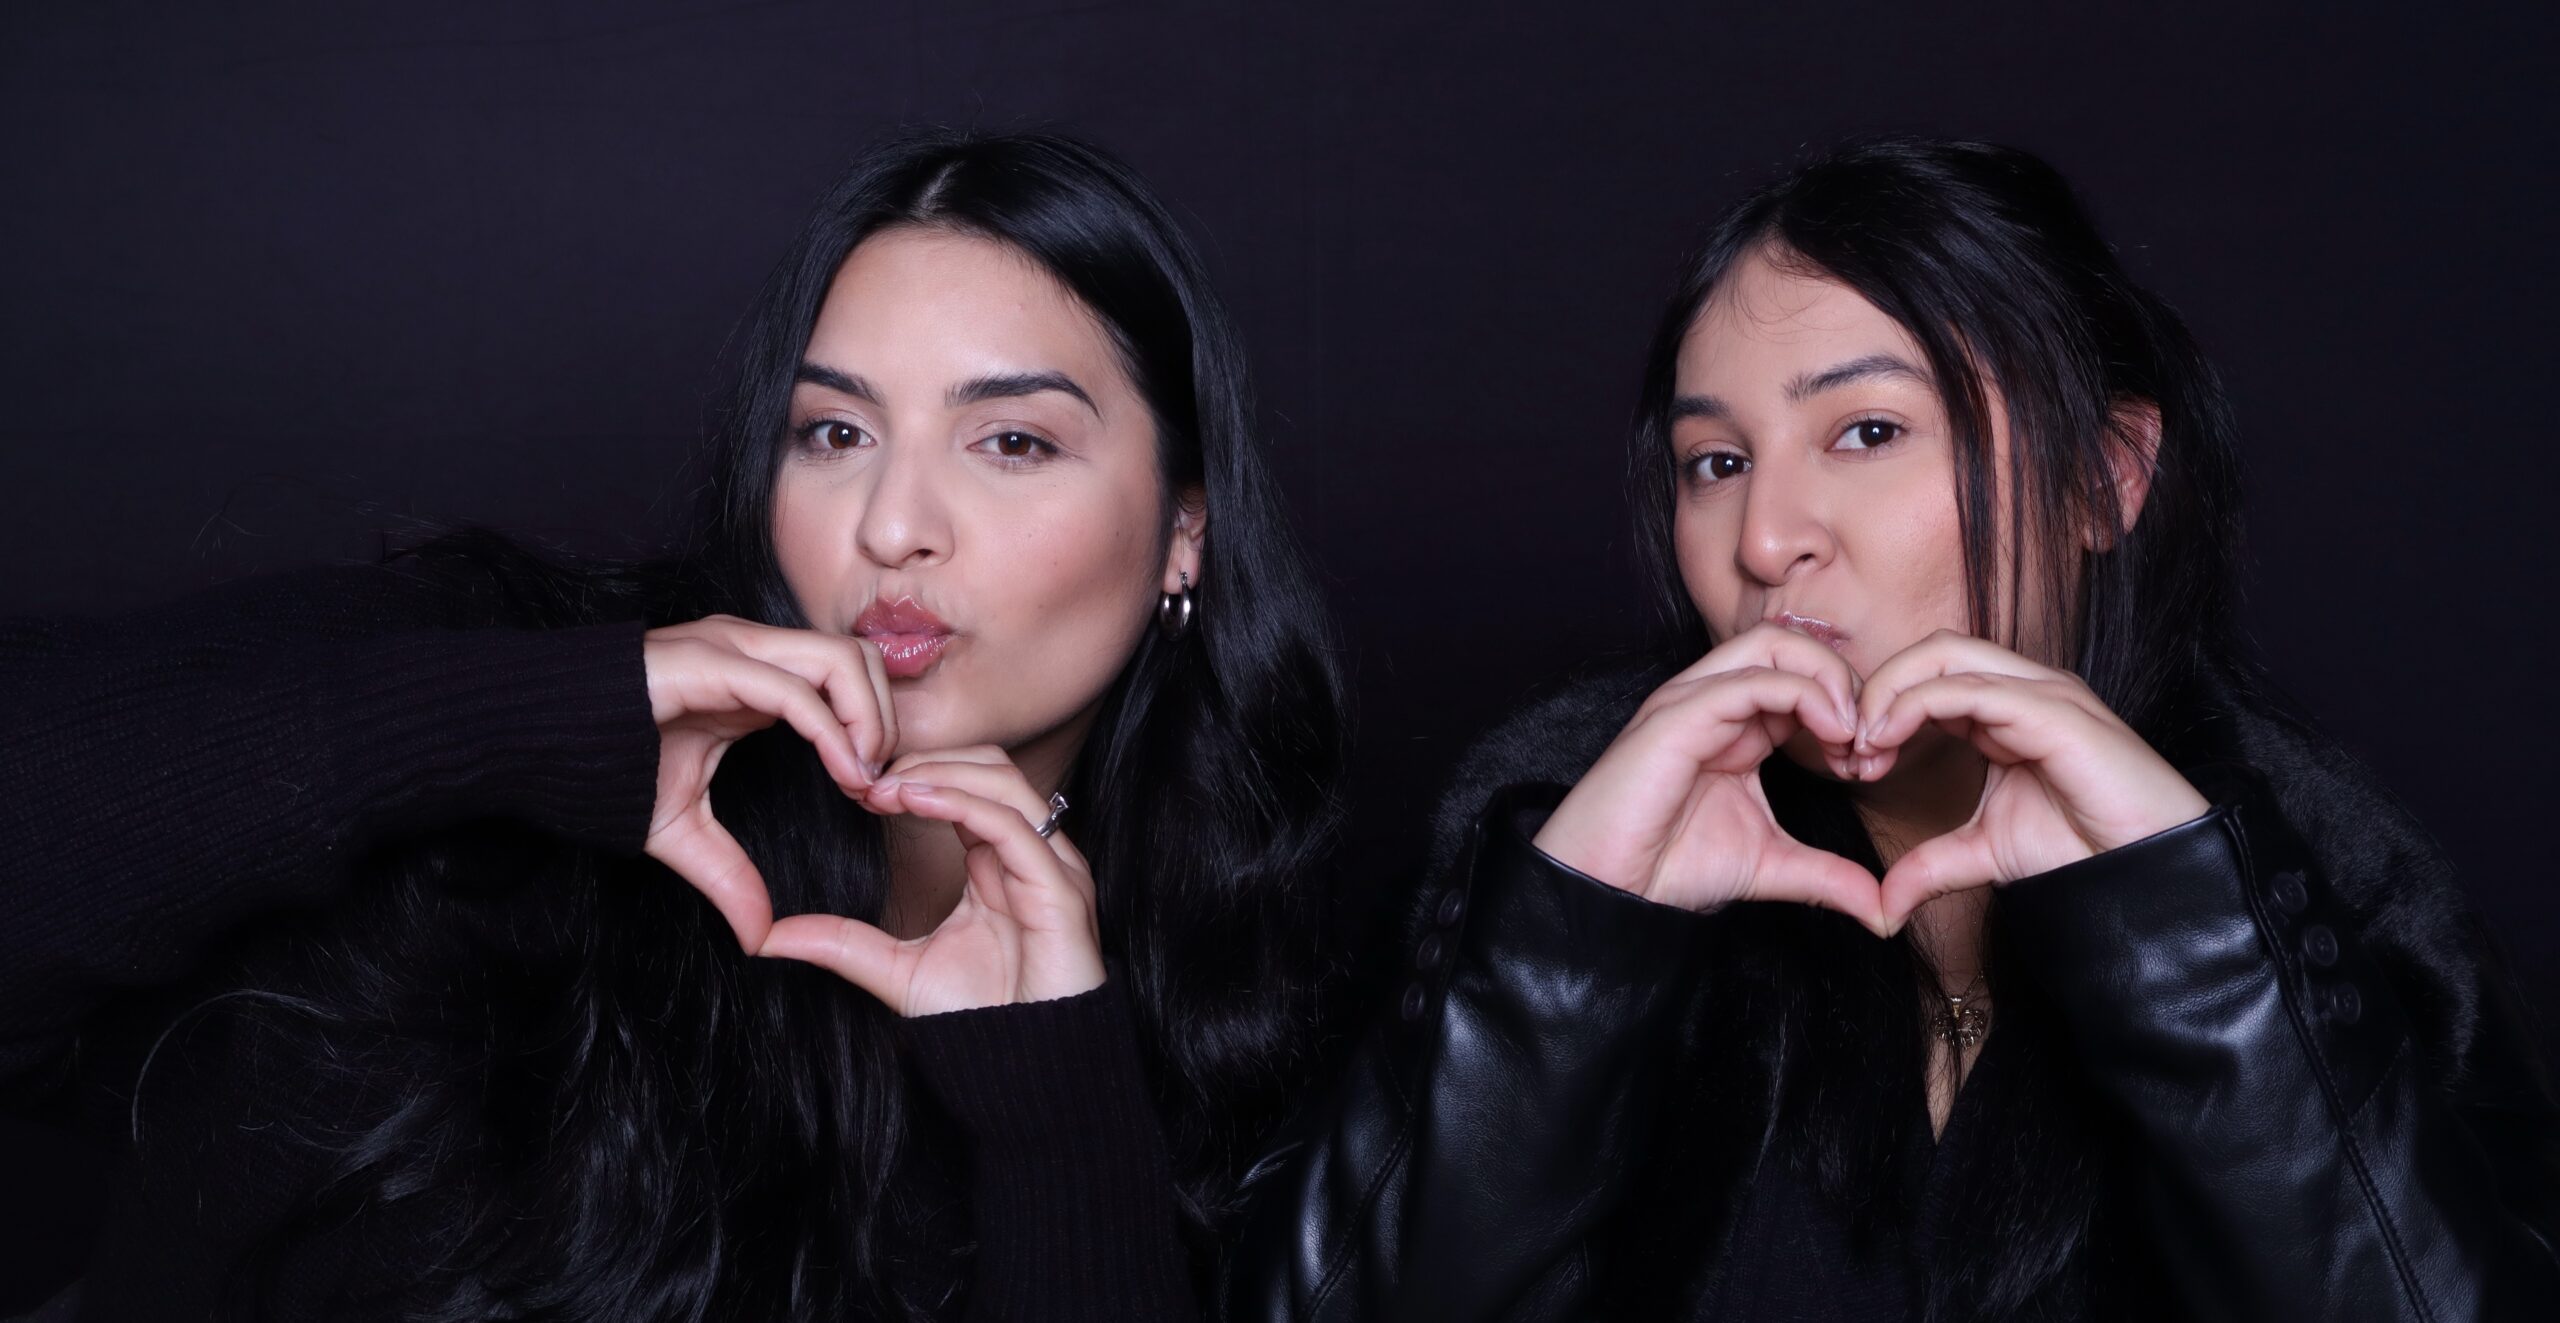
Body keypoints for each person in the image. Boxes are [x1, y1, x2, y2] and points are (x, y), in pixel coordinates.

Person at [0, 133, 1348, 1321]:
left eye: (1010, 443)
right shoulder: (515, 670)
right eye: (830, 433)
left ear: (1185, 530)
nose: (891, 526)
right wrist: (533, 724)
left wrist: (1051, 1096)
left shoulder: (1225, 993)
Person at [1225, 138, 2560, 1320]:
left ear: (2104, 478)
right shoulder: (1550, 837)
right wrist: (1573, 949)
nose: (1763, 538)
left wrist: (2188, 928)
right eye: (1718, 462)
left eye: (1866, 431)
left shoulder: (2332, 883)